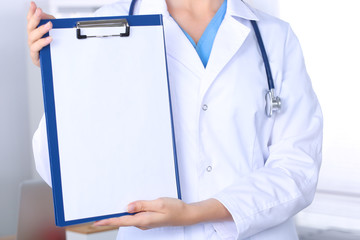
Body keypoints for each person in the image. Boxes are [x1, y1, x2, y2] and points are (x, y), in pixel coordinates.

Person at [28, 0, 323, 239]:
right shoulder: (109, 24)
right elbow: (59, 170)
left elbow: (298, 167)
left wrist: (196, 212)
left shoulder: (273, 36)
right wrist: (62, 74)